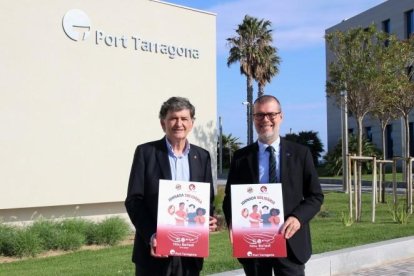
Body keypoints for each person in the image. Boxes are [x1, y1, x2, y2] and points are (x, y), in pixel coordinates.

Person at [222, 95, 324, 276]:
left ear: (281, 116)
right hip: (254, 243)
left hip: (290, 241)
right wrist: (232, 222)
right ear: (253, 118)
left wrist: (298, 218)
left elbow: (315, 196)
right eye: (259, 115)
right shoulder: (241, 157)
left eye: (271, 114)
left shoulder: (301, 154)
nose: (265, 120)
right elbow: (229, 198)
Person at [125, 96, 217, 276]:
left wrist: (207, 218)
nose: (179, 123)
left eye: (184, 118)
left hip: (190, 253)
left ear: (192, 123)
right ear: (163, 123)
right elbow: (134, 201)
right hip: (154, 252)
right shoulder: (146, 153)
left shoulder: (202, 156)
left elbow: (207, 199)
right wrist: (152, 235)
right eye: (173, 118)